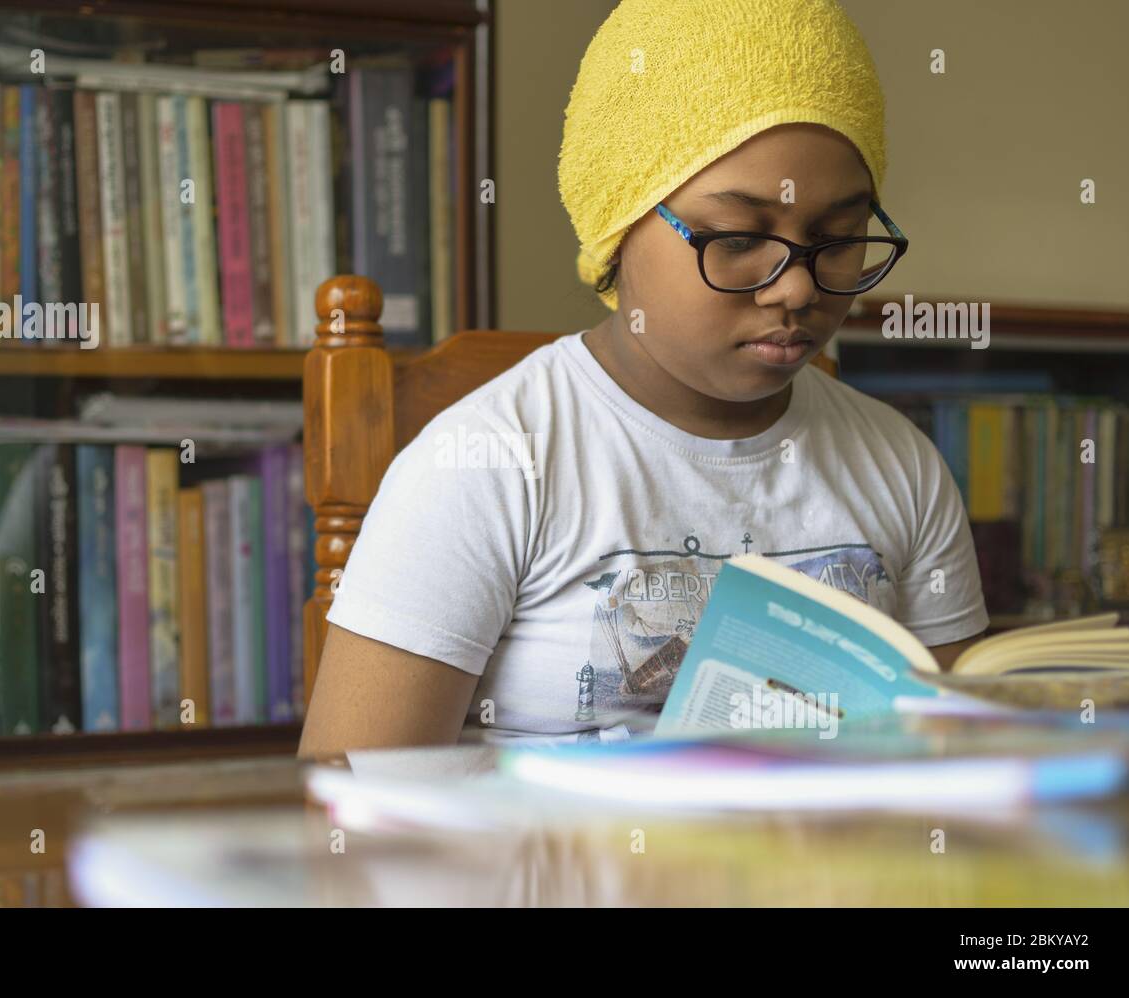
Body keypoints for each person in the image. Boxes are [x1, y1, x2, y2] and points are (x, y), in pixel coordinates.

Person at [299, 0, 989, 757]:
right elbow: (349, 809)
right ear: (620, 228)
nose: (796, 288)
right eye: (737, 238)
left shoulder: (899, 464)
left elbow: (953, 764)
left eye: (838, 239)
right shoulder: (489, 466)